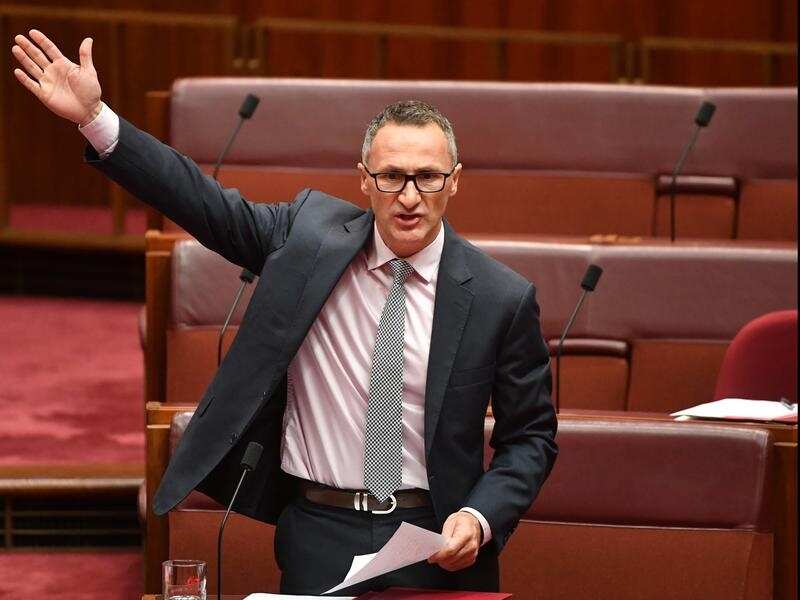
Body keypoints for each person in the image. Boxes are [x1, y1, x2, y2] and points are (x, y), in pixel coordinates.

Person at [11, 30, 558, 594]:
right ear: (366, 179)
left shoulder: (500, 297)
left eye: (428, 177)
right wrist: (96, 118)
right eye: (392, 176)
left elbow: (532, 436)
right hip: (320, 526)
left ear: (454, 181)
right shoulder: (306, 238)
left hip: (435, 538)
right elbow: (198, 199)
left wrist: (480, 517)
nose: (410, 197)